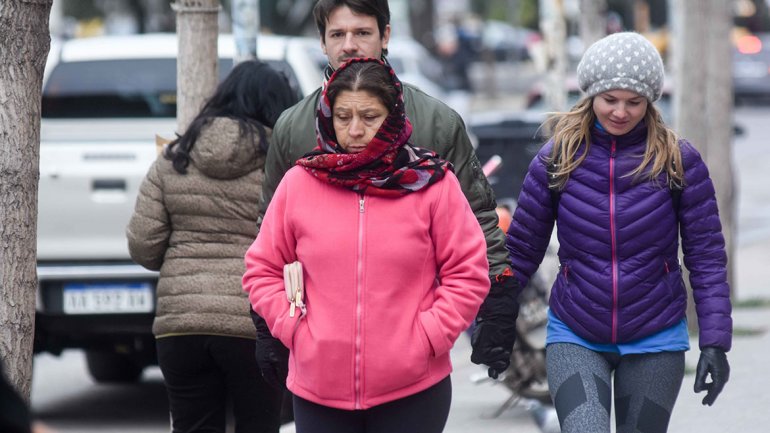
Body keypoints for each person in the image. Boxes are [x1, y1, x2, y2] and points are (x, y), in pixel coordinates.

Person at [252, 0, 519, 393]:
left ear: (385, 36)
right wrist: (274, 326)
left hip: (409, 359)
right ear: (322, 42)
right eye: (337, 34)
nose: (349, 45)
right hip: (323, 358)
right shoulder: (294, 126)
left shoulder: (435, 120)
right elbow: (270, 233)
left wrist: (496, 298)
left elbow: (477, 214)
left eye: (362, 33)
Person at [242, 57, 489, 433]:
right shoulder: (299, 183)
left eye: (369, 117)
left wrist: (428, 336)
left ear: (392, 116)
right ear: (328, 116)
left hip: (414, 390)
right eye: (343, 117)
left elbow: (468, 271)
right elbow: (261, 269)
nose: (355, 130)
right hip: (318, 389)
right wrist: (294, 330)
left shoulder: (431, 183)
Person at [503, 32, 732, 432]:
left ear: (651, 102)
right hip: (576, 332)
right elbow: (521, 249)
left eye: (634, 102)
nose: (621, 112)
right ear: (591, 94)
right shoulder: (556, 159)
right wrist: (494, 320)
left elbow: (706, 257)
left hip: (655, 336)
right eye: (610, 99)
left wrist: (715, 340)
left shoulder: (679, 161)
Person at [126, 60, 297, 433]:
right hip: (256, 324)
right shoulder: (283, 168)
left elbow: (143, 247)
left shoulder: (173, 159)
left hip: (180, 325)